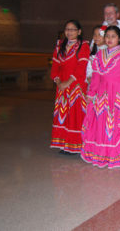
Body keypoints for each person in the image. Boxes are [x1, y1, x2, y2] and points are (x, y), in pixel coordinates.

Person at [81, 26, 120, 168]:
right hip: (101, 94)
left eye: (113, 36)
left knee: (114, 125)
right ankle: (100, 153)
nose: (109, 39)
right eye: (108, 36)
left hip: (118, 94)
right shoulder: (100, 54)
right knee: (100, 124)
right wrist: (91, 94)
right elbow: (95, 77)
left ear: (119, 39)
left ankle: (114, 155)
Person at [51, 20, 90, 154]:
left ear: (79, 32)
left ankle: (76, 145)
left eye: (73, 29)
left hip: (76, 85)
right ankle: (64, 144)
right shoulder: (59, 45)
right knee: (63, 114)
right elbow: (55, 65)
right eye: (67, 29)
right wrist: (58, 81)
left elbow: (81, 67)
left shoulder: (84, 45)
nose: (69, 32)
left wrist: (68, 82)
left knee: (76, 114)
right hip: (61, 85)